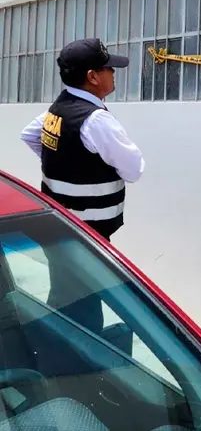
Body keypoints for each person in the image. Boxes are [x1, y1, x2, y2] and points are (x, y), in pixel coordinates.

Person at [19, 38, 145, 334]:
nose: (113, 74)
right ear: (92, 77)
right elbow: (134, 169)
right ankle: (68, 362)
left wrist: (67, 161)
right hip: (88, 233)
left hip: (61, 225)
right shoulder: (96, 120)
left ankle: (56, 347)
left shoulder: (57, 110)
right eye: (108, 69)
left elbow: (29, 135)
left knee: (67, 298)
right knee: (84, 306)